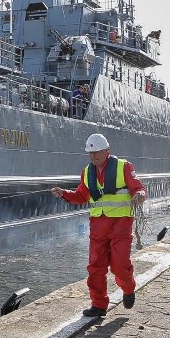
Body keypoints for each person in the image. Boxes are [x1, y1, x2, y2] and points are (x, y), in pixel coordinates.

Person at [50, 133, 147, 317]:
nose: (93, 157)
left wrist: (140, 195)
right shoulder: (87, 172)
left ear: (107, 151)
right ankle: (99, 304)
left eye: (97, 152)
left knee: (119, 266)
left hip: (120, 226)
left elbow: (137, 187)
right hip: (98, 228)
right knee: (95, 267)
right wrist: (64, 193)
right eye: (90, 153)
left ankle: (128, 287)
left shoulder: (123, 167)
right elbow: (81, 196)